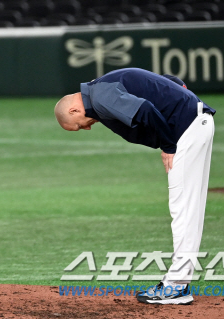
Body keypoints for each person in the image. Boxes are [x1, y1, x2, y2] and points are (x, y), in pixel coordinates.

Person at [55, 68, 215, 305]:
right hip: (195, 123)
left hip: (186, 132)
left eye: (78, 125)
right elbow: (170, 82)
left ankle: (177, 287)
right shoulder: (102, 87)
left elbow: (147, 109)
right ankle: (179, 283)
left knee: (183, 210)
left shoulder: (100, 96)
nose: (86, 128)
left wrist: (169, 146)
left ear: (74, 110)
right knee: (189, 209)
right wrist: (181, 98)